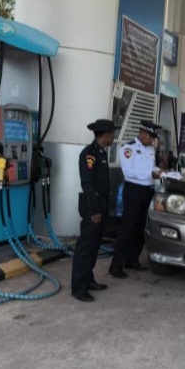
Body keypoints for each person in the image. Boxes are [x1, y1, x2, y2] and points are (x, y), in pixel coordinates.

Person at [71, 119, 118, 302]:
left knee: (94, 247)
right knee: (85, 248)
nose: (114, 137)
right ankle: (78, 288)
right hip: (93, 208)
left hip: (101, 206)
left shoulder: (101, 153)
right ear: (106, 135)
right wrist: (95, 210)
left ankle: (88, 279)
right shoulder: (89, 154)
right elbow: (88, 184)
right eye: (113, 134)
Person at [109, 120, 163, 278]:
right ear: (143, 133)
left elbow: (150, 168)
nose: (152, 140)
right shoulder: (128, 148)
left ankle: (132, 260)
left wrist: (160, 171)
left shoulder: (150, 149)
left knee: (140, 229)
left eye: (153, 138)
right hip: (134, 191)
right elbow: (128, 172)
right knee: (127, 228)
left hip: (148, 191)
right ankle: (116, 265)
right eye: (150, 136)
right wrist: (150, 174)